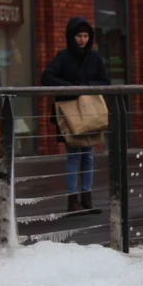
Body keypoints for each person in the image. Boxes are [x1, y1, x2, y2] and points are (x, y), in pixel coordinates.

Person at [42, 16, 111, 214]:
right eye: (79, 36)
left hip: (89, 113)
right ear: (71, 37)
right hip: (70, 113)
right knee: (73, 155)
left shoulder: (94, 57)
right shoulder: (62, 57)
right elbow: (47, 77)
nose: (82, 40)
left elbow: (105, 81)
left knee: (88, 156)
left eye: (86, 36)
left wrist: (87, 87)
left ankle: (86, 198)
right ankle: (73, 200)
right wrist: (71, 88)